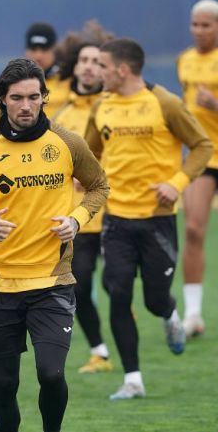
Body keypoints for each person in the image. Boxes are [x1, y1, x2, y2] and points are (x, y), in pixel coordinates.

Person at [0, 58, 109, 432]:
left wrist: (76, 219)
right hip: (1, 287)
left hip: (53, 284)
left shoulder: (67, 143)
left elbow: (99, 186)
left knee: (51, 375)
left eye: (34, 97)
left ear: (44, 98)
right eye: (16, 97)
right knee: (5, 382)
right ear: (1, 100)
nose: (26, 105)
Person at [86, 39, 212, 400]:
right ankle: (133, 379)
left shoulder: (165, 103)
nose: (98, 72)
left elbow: (202, 146)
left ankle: (170, 314)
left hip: (157, 220)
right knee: (119, 292)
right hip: (116, 219)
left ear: (122, 70)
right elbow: (90, 152)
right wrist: (84, 175)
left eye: (104, 66)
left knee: (155, 299)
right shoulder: (102, 106)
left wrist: (177, 183)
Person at [52, 24, 115, 374]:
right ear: (75, 66)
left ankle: (166, 310)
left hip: (121, 213)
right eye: (85, 60)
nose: (90, 66)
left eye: (97, 61)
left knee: (116, 284)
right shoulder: (62, 116)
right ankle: (100, 352)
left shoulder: (113, 106)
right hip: (84, 217)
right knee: (82, 284)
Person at [178, 0, 218, 338]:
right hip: (204, 156)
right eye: (196, 24)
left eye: (207, 25)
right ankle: (192, 314)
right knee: (192, 229)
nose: (199, 31)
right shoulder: (186, 61)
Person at [0, 23, 71, 126]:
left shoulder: (71, 82)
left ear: (54, 51)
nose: (38, 55)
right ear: (26, 51)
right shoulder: (11, 82)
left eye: (44, 50)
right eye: (33, 50)